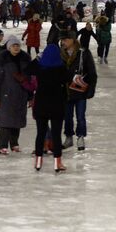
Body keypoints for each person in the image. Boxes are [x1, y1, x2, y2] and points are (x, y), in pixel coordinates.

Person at [29, 43, 70, 173]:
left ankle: (38, 161)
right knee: (56, 135)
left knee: (40, 134)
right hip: (57, 105)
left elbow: (26, 70)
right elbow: (69, 78)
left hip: (41, 105)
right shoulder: (62, 68)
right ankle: (57, 162)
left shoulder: (39, 67)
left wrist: (37, 58)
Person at [0, 34, 33, 154]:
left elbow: (29, 80)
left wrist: (30, 96)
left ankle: (14, 143)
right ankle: (2, 146)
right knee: (5, 122)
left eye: (17, 45)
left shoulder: (25, 60)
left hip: (21, 95)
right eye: (13, 46)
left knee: (17, 121)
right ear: (9, 47)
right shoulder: (3, 61)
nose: (16, 48)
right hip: (6, 96)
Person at [60, 31, 97, 150]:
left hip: (80, 91)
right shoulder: (60, 54)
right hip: (65, 91)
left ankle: (80, 137)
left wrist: (91, 89)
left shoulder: (83, 53)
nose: (63, 42)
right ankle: (69, 136)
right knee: (67, 116)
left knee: (80, 116)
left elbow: (92, 72)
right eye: (62, 40)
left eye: (65, 39)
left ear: (72, 40)